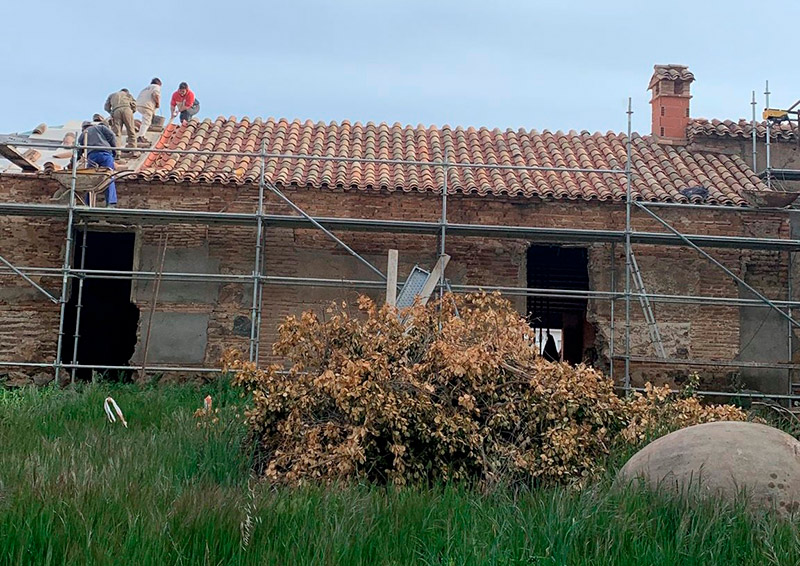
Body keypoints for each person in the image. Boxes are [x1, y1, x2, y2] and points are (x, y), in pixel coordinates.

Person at [77, 121, 118, 207]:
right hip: (105, 154)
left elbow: (79, 150)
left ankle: (88, 203)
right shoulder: (101, 128)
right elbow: (112, 136)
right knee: (109, 176)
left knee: (90, 179)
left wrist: (73, 161)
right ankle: (111, 202)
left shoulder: (83, 134)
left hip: (92, 157)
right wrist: (114, 150)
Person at [135, 78, 162, 144]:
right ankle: (141, 136)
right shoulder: (156, 87)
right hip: (147, 106)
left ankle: (142, 133)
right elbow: (156, 94)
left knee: (145, 119)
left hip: (139, 105)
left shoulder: (146, 88)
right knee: (146, 121)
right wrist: (158, 103)